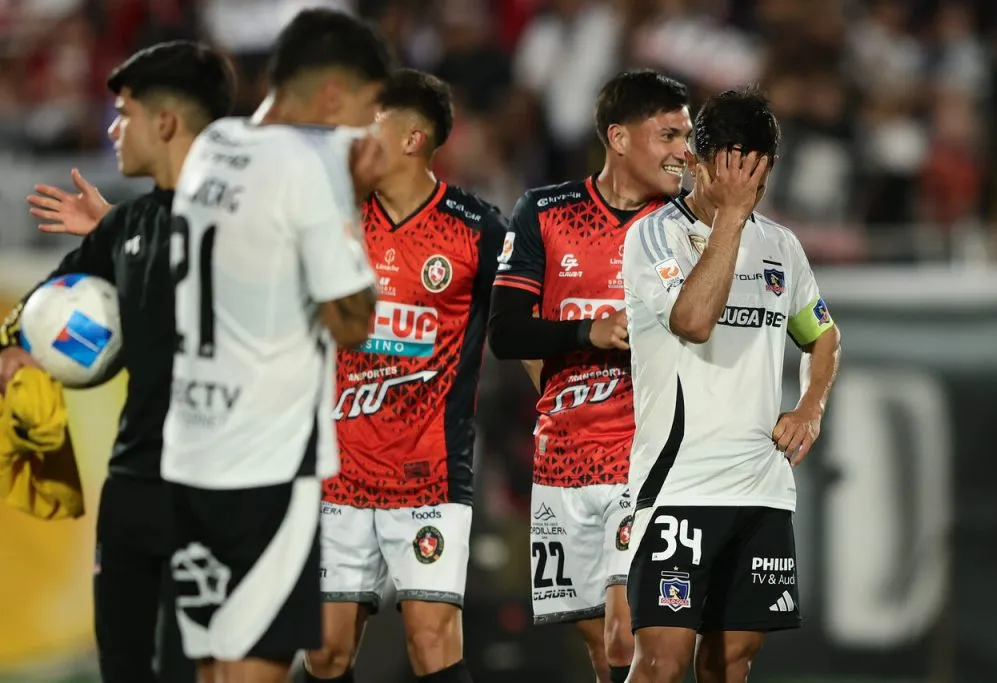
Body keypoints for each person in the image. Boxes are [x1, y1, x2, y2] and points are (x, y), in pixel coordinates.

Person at [161, 9, 394, 683]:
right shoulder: (308, 170)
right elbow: (351, 320)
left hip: (194, 445)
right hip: (266, 460)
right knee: (252, 669)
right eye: (366, 106)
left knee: (210, 662)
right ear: (330, 96)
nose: (366, 126)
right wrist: (349, 202)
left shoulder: (211, 145)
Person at [0, 41, 235, 683]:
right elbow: (41, 305)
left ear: (165, 123)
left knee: (206, 669)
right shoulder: (125, 227)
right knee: (124, 668)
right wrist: (15, 350)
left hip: (218, 486)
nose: (111, 130)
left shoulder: (246, 221)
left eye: (124, 113)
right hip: (133, 483)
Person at [621, 88, 842, 683]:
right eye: (737, 172)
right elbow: (692, 321)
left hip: (761, 490)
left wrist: (811, 405)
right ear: (699, 161)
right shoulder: (652, 237)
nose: (750, 188)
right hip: (680, 487)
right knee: (661, 665)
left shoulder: (782, 247)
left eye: (761, 176)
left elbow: (822, 334)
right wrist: (732, 221)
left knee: (731, 662)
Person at [487, 69, 691, 683]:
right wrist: (585, 335)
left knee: (628, 633)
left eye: (687, 136)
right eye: (669, 135)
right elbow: (505, 333)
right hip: (563, 461)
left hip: (648, 455)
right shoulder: (544, 212)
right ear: (620, 138)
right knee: (603, 654)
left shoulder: (684, 228)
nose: (684, 151)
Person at [305, 68, 506, 683]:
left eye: (370, 125)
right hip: (337, 471)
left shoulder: (479, 229)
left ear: (414, 138)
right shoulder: (329, 220)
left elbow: (527, 320)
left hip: (431, 472)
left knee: (431, 640)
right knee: (326, 651)